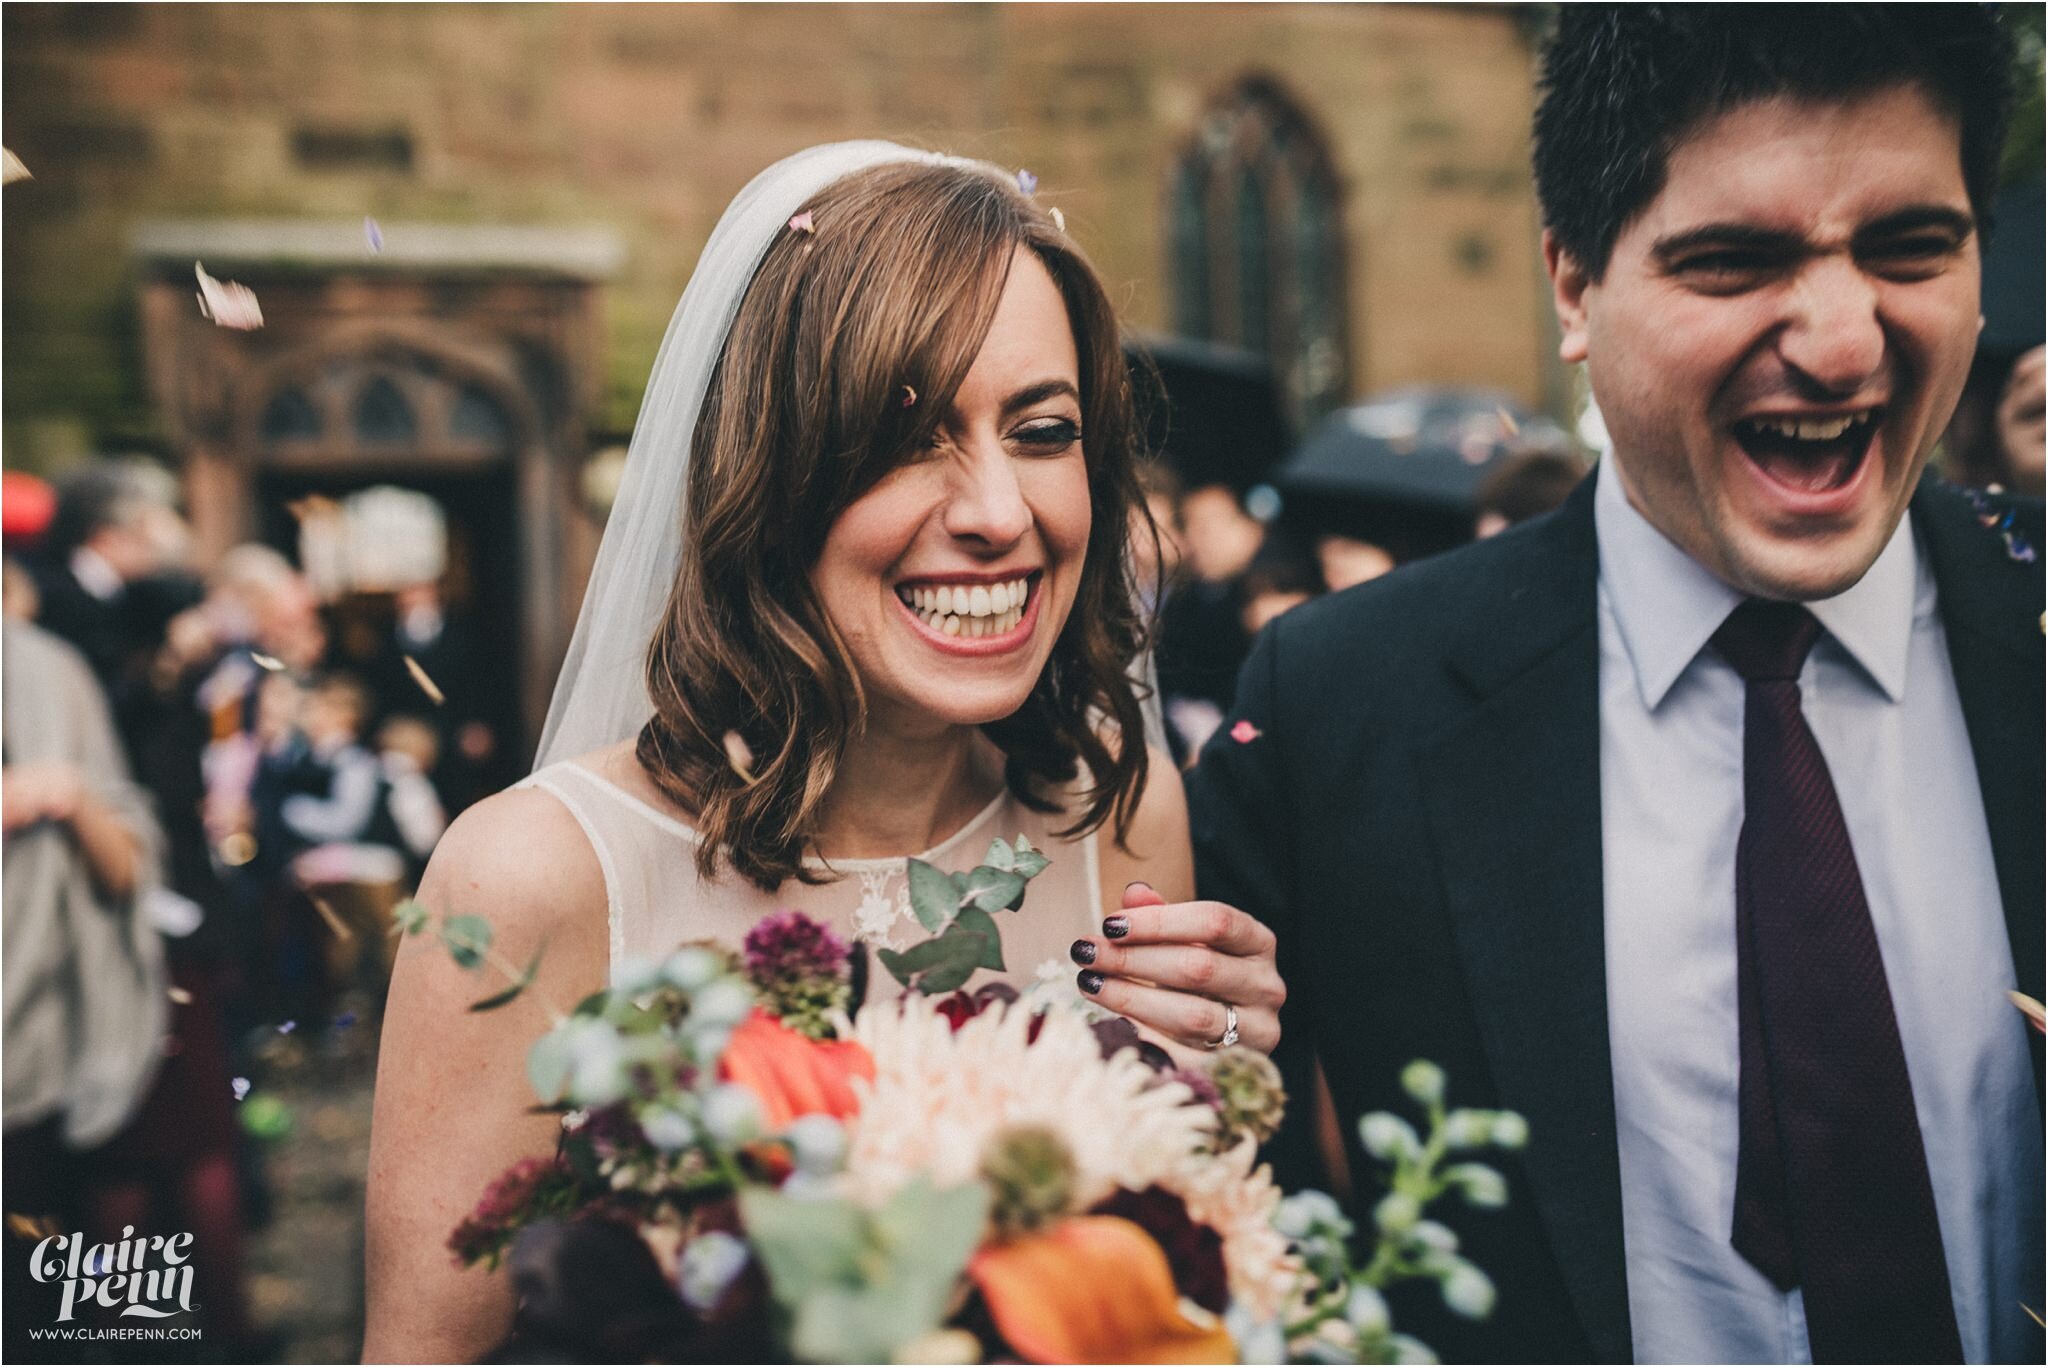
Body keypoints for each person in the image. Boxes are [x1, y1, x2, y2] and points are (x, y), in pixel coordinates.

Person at [1188, 7, 2040, 1363]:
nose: (1839, 340)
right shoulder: (1340, 706)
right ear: (1574, 285)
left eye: (1908, 246)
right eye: (1736, 261)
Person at [364, 144, 1285, 1361]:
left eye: (1043, 429)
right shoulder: (532, 878)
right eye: (908, 436)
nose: (1000, 512)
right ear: (769, 468)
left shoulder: (1118, 813)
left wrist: (1217, 1096)